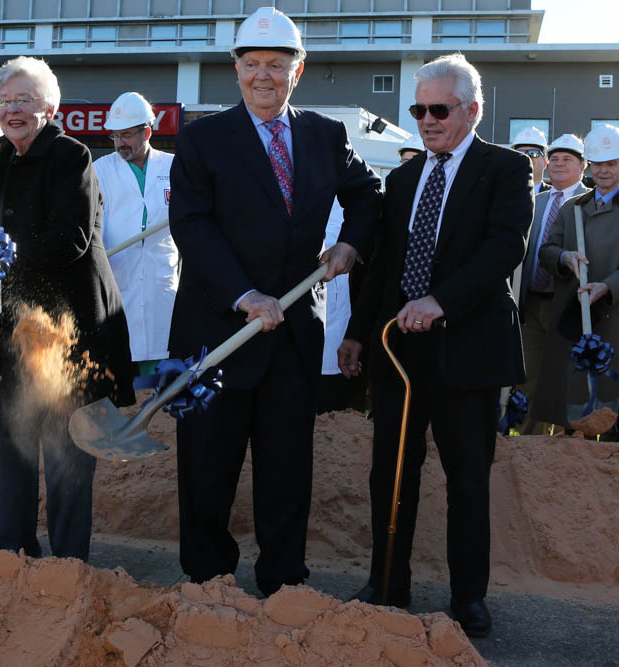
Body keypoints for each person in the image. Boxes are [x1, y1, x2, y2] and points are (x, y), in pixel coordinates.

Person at [170, 7, 381, 597]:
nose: (263, 75)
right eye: (251, 63)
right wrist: (244, 295)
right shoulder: (202, 139)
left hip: (291, 333)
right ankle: (207, 578)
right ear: (235, 69)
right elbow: (192, 225)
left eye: (276, 64)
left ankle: (283, 576)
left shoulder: (324, 135)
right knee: (208, 466)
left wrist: (350, 244)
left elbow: (368, 196)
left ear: (299, 69)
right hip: (218, 333)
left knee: (287, 467)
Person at [338, 53, 529, 637]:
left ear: (472, 110)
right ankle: (387, 582)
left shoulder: (504, 168)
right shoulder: (401, 179)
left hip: (467, 348)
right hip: (400, 352)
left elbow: (505, 248)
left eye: (438, 109)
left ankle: (468, 597)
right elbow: (383, 269)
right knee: (390, 472)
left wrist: (440, 300)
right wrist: (355, 332)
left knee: (467, 478)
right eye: (419, 109)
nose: (426, 119)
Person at [0, 56, 136, 561]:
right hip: (16, 328)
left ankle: (69, 567)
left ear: (49, 106)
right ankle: (14, 555)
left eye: (23, 100)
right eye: (4, 102)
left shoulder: (72, 157)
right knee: (15, 444)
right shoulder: (1, 163)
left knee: (67, 448)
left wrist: (9, 257)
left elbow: (72, 239)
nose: (12, 110)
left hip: (70, 330)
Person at [531, 124, 619, 431]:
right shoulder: (572, 208)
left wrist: (608, 286)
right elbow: (547, 250)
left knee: (618, 411)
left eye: (611, 163)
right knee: (572, 413)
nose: (604, 170)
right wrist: (564, 257)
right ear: (590, 165)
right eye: (598, 163)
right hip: (573, 316)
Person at [93, 92, 177, 376]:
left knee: (161, 352)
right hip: (118, 275)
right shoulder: (99, 170)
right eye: (115, 136)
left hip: (161, 277)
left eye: (127, 135)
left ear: (147, 132)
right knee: (119, 355)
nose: (119, 143)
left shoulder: (174, 167)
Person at [516, 133, 588, 435]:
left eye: (567, 159)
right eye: (554, 159)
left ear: (582, 167)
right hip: (531, 303)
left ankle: (564, 449)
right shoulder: (535, 202)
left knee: (566, 381)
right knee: (526, 378)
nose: (559, 164)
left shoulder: (590, 203)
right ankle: (528, 447)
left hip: (568, 306)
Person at [510, 126, 550, 196]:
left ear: (545, 162)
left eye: (533, 153)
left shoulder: (556, 197)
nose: (527, 157)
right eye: (521, 153)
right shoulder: (500, 194)